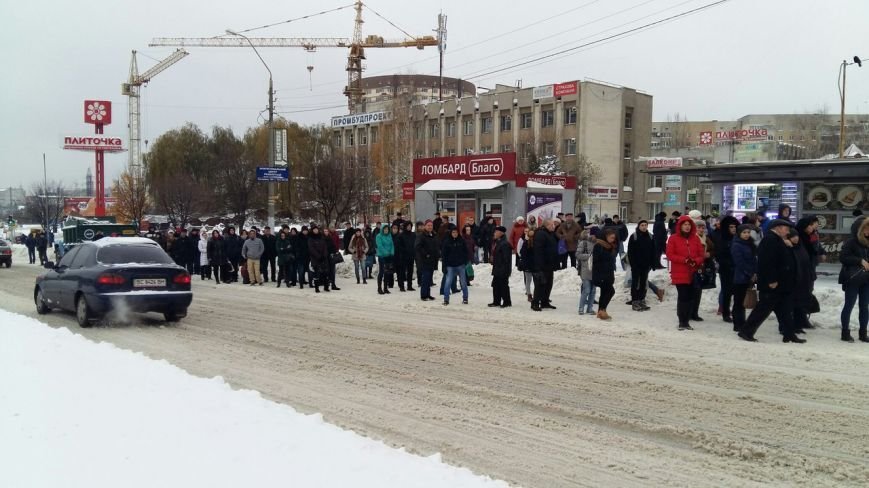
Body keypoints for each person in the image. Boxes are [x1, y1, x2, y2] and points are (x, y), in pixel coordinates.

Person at [738, 219, 804, 343]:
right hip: (772, 284)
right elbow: (767, 262)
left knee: (785, 310)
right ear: (778, 228)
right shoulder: (770, 240)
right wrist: (771, 280)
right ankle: (746, 331)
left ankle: (789, 334)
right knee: (762, 309)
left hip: (781, 283)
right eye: (786, 229)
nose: (788, 232)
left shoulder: (778, 240)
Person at [666, 215, 706, 331]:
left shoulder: (695, 238)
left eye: (689, 225)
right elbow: (670, 254)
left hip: (693, 272)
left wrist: (696, 261)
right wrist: (684, 260)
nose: (687, 227)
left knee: (690, 297)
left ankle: (687, 319)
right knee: (683, 296)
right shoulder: (673, 238)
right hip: (680, 272)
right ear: (680, 226)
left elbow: (701, 254)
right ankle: (682, 321)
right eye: (685, 225)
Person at [839, 216, 869, 342]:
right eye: (866, 228)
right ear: (861, 229)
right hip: (853, 279)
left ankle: (863, 333)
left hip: (866, 280)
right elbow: (843, 257)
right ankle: (845, 333)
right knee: (849, 305)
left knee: (864, 306)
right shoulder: (851, 242)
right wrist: (859, 260)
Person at [731, 224, 758, 333]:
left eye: (748, 232)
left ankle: (742, 322)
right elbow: (739, 262)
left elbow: (754, 259)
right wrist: (750, 273)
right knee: (739, 301)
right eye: (744, 232)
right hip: (740, 277)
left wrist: (755, 272)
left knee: (747, 298)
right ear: (739, 233)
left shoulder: (750, 243)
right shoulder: (736, 245)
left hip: (751, 277)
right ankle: (737, 324)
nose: (747, 235)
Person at [713, 216, 739, 323]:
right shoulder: (722, 239)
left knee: (737, 292)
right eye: (731, 227)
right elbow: (719, 255)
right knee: (727, 292)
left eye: (735, 227)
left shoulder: (738, 238)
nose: (733, 229)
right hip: (726, 269)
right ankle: (726, 313)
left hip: (737, 269)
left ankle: (736, 312)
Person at [531, 219, 559, 311]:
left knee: (548, 284)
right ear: (546, 225)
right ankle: (535, 303)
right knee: (540, 285)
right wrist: (539, 265)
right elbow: (538, 251)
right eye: (552, 225)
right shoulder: (540, 234)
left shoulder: (550, 234)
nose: (553, 226)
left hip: (550, 264)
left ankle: (545, 302)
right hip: (542, 264)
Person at [627, 220, 655, 312]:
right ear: (638, 226)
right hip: (636, 265)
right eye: (642, 225)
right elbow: (630, 252)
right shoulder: (634, 236)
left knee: (643, 283)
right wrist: (633, 264)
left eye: (645, 225)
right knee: (635, 283)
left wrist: (652, 263)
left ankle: (642, 300)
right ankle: (635, 301)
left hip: (646, 265)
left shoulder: (650, 236)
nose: (644, 227)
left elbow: (653, 251)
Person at [592, 228, 618, 320]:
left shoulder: (610, 246)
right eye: (611, 237)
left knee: (604, 292)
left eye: (614, 238)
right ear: (605, 237)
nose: (613, 239)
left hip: (608, 273)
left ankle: (601, 311)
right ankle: (602, 310)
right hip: (601, 273)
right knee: (610, 291)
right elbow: (596, 261)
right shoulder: (599, 245)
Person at [441, 225, 470, 305]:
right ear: (451, 233)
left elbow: (466, 252)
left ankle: (465, 298)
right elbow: (444, 255)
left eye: (456, 232)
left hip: (460, 265)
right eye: (453, 232)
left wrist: (465, 261)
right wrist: (444, 266)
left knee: (463, 283)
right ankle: (446, 299)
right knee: (448, 282)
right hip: (450, 266)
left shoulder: (461, 241)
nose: (455, 234)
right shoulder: (447, 242)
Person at [415, 219, 439, 301]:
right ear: (425, 226)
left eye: (431, 225)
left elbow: (436, 246)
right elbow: (418, 247)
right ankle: (423, 295)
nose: (430, 227)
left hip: (432, 260)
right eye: (428, 225)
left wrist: (437, 254)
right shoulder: (421, 235)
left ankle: (428, 294)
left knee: (429, 279)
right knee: (425, 278)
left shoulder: (433, 235)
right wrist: (426, 254)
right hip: (424, 260)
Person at [488, 226, 512, 308]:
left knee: (503, 286)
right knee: (495, 285)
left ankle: (507, 302)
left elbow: (506, 259)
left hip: (502, 269)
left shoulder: (504, 243)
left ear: (501, 233)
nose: (494, 233)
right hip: (497, 268)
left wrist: (504, 269)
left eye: (496, 232)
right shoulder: (497, 242)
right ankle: (496, 301)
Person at [576, 228, 597, 315]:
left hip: (595, 270)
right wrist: (589, 256)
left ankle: (590, 308)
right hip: (585, 270)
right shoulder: (583, 243)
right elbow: (578, 255)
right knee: (587, 290)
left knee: (593, 291)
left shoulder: (597, 243)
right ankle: (581, 308)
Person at [307, 225, 330, 293]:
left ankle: (326, 287)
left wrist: (324, 255)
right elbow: (311, 249)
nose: (316, 231)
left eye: (316, 229)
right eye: (314, 230)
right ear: (312, 231)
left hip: (323, 258)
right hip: (315, 259)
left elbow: (325, 247)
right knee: (316, 273)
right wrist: (318, 256)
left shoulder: (321, 237)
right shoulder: (310, 238)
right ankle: (316, 288)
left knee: (325, 273)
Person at [516, 228, 536, 303]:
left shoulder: (527, 242)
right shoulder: (527, 242)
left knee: (528, 280)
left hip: (529, 264)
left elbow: (522, 252)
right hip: (530, 264)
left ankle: (529, 295)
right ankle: (530, 295)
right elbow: (522, 252)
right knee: (531, 280)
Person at [375, 223, 395, 295]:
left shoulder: (389, 236)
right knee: (382, 272)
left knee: (387, 272)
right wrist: (386, 252)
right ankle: (379, 288)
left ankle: (385, 288)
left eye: (387, 229)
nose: (386, 230)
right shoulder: (379, 236)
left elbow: (392, 245)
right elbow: (380, 246)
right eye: (385, 229)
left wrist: (392, 252)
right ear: (382, 229)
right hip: (382, 256)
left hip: (389, 256)